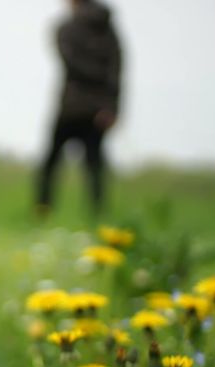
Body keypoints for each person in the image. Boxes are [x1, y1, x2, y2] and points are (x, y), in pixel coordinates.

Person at [37, 0, 122, 218]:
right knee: (94, 165)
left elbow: (70, 63)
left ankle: (42, 211)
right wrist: (111, 106)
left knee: (52, 163)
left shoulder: (66, 28)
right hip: (98, 109)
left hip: (71, 106)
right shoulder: (109, 31)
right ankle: (98, 215)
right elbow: (116, 70)